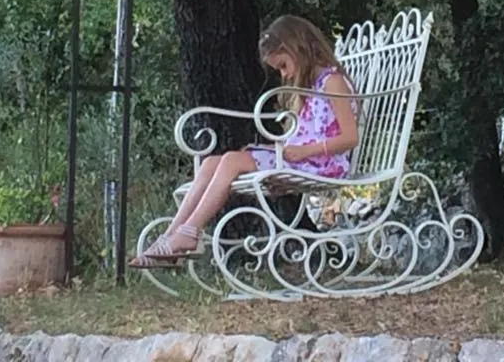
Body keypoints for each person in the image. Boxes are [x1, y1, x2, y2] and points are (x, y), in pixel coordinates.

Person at [130, 15, 359, 266]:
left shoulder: (332, 81)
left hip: (322, 164)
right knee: (210, 163)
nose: (283, 75)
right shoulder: (311, 85)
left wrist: (302, 152)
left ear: (298, 49)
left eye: (283, 65)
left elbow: (350, 137)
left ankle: (189, 234)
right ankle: (171, 236)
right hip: (302, 158)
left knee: (231, 161)